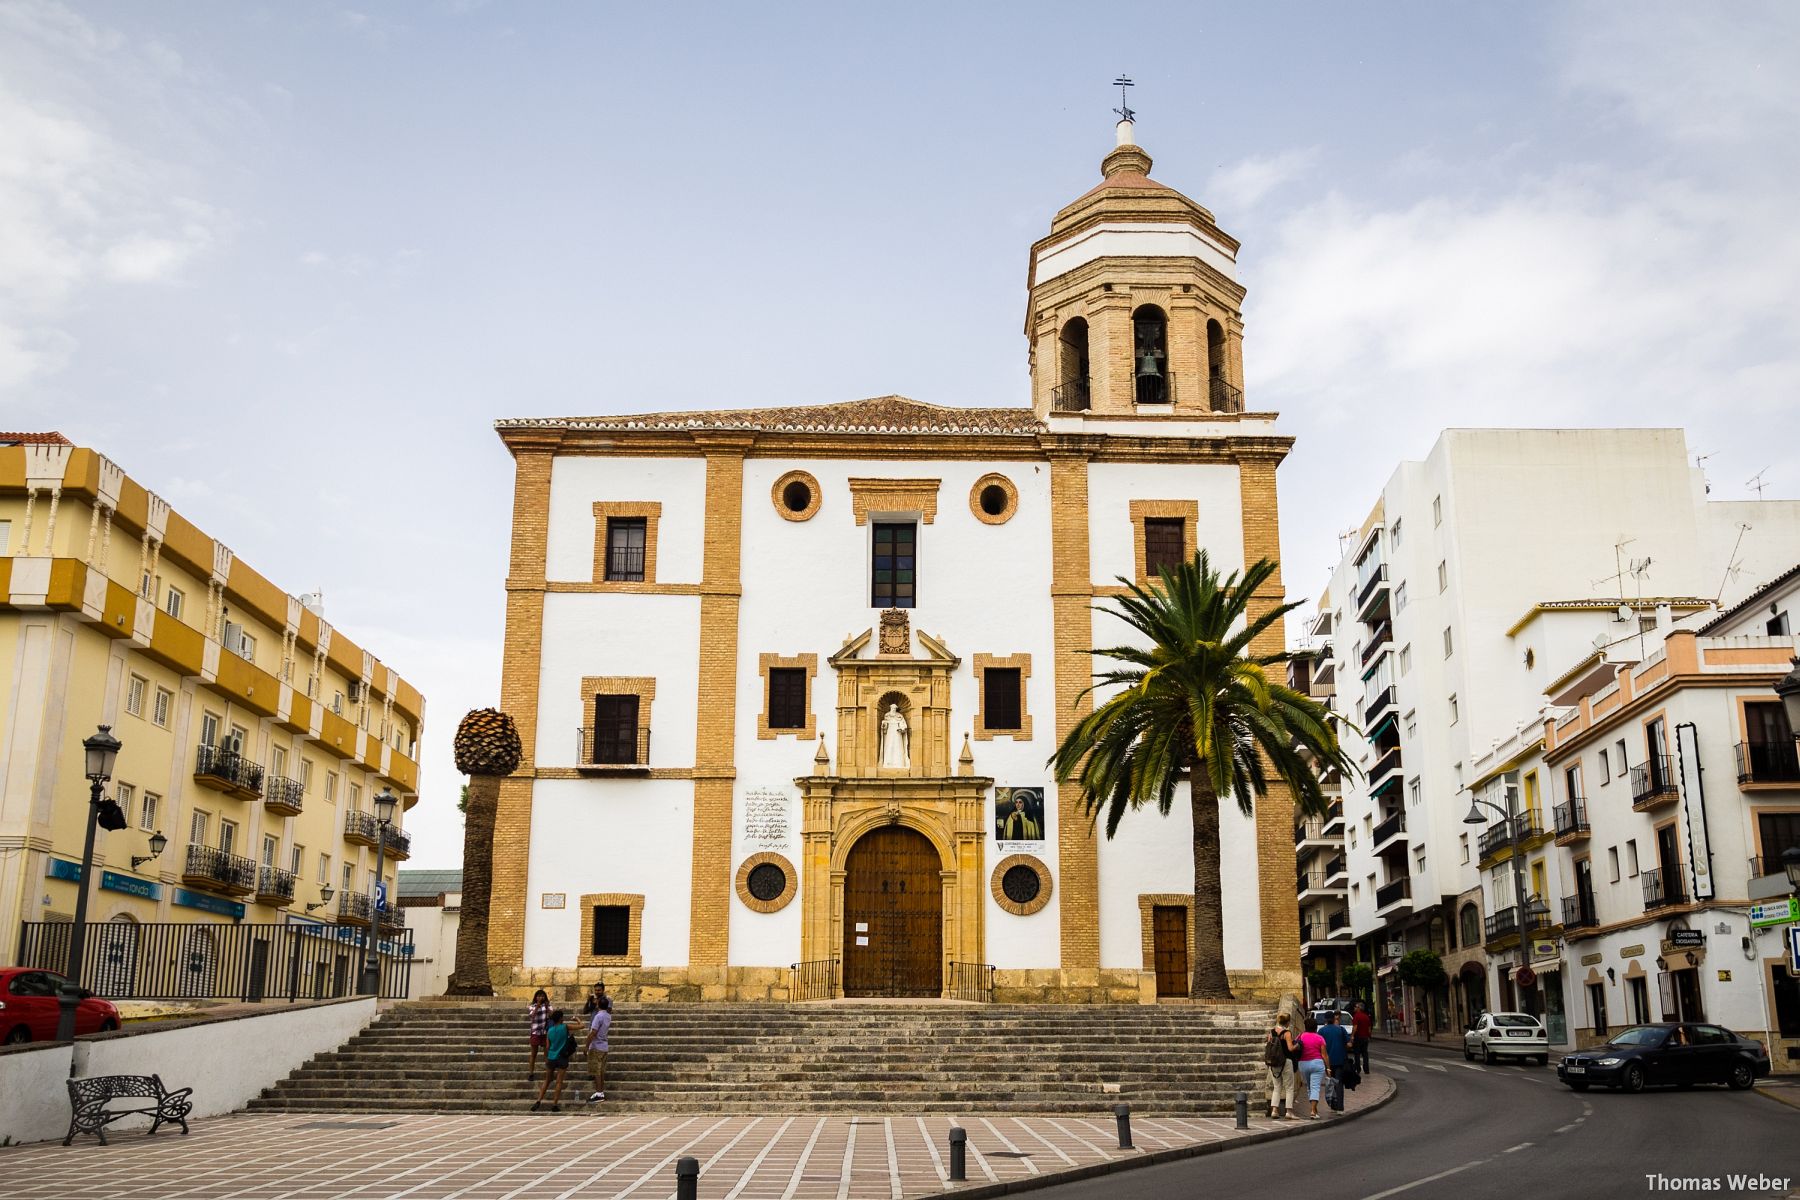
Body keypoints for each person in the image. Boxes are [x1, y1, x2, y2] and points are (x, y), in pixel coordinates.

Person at [532, 1009, 573, 1112]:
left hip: (551, 1057)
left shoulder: (549, 1030)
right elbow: (582, 1026)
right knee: (559, 1082)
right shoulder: (565, 1027)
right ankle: (554, 1104)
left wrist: (546, 1058)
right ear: (561, 1018)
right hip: (562, 1057)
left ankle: (538, 1101)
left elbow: (547, 1046)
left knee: (547, 1080)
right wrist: (577, 1019)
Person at [1263, 1012, 1299, 1119]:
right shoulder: (1286, 1033)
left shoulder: (1272, 1032)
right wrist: (1297, 1045)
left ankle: (1274, 1110)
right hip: (1286, 1061)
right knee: (1289, 1087)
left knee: (1277, 1087)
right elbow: (1290, 1048)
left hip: (1274, 1062)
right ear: (1287, 1022)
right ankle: (1289, 1112)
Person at [1296, 1017, 1328, 1119]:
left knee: (1310, 1087)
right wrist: (1328, 1068)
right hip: (1317, 1064)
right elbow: (1324, 1055)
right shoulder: (1319, 1038)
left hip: (1303, 1064)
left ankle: (1314, 1108)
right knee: (1315, 1087)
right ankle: (1313, 1111)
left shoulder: (1300, 1036)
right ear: (1316, 1027)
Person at [585, 994, 612, 1103]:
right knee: (601, 1071)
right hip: (604, 1047)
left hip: (596, 1047)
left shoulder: (598, 1016)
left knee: (596, 1071)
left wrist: (586, 1046)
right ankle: (600, 1092)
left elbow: (593, 1032)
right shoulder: (608, 1016)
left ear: (598, 1005)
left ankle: (599, 1093)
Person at [1319, 1009, 1352, 1083]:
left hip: (1327, 1061)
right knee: (1339, 1081)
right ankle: (1339, 1094)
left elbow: (1318, 1047)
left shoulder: (1321, 1031)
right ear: (1334, 1018)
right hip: (1340, 1060)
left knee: (1330, 1080)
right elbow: (1349, 1044)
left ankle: (1332, 1094)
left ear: (1325, 1019)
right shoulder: (1341, 1029)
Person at [526, 988, 551, 1081]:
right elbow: (532, 1016)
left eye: (542, 996)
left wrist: (547, 1007)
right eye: (539, 996)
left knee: (546, 1054)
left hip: (545, 1033)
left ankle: (548, 1073)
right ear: (536, 997)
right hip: (535, 1032)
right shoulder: (532, 1006)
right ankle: (531, 1073)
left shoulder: (548, 1006)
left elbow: (552, 1015)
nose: (540, 997)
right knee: (533, 1054)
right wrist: (538, 1006)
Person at [1351, 1001, 1373, 1072]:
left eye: (1356, 1007)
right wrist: (1369, 1036)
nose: (1354, 1008)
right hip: (1365, 1038)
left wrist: (1352, 1036)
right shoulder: (1366, 1016)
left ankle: (1358, 1068)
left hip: (1358, 1037)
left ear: (1359, 1008)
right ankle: (1366, 1069)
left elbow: (1355, 1027)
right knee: (1365, 1053)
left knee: (1357, 1053)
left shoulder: (1356, 1016)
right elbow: (1369, 1028)